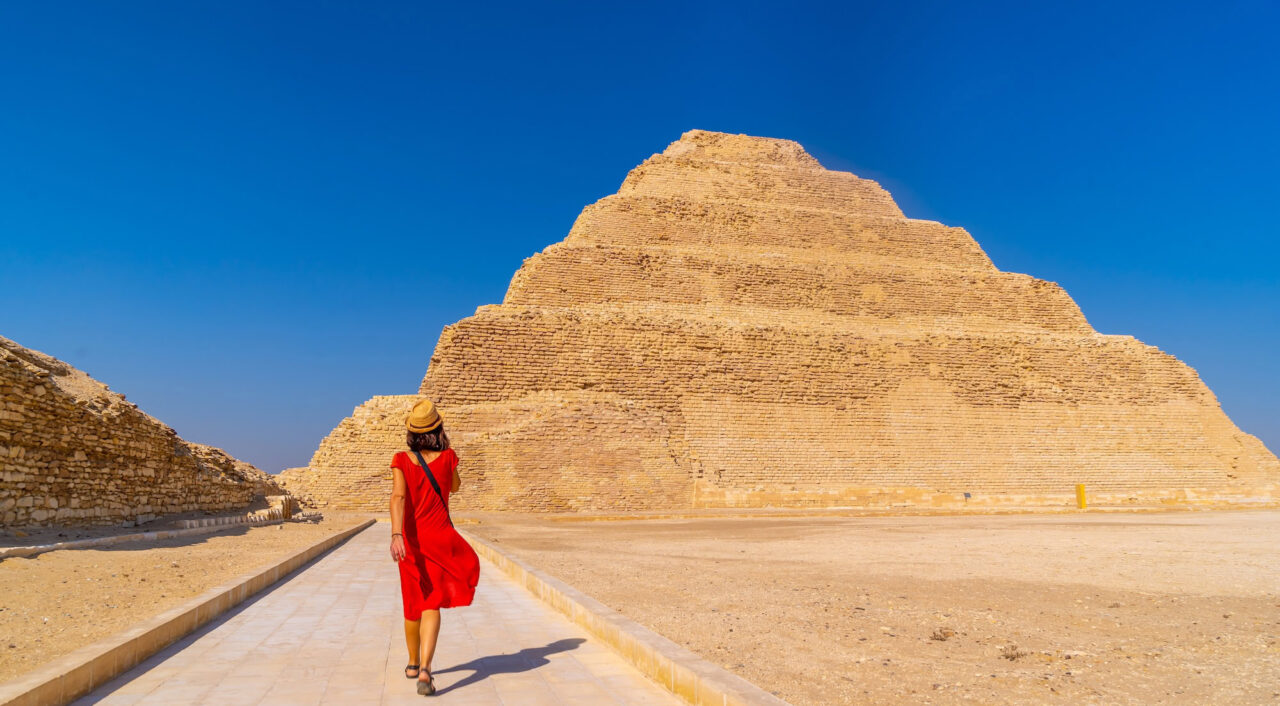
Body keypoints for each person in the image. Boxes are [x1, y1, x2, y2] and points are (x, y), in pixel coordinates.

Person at [389, 399, 480, 696]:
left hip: (412, 540)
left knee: (412, 602)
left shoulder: (401, 460)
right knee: (432, 603)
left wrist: (396, 534)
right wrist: (447, 461)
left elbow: (398, 497)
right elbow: (454, 487)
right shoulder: (449, 456)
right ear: (438, 429)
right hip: (440, 538)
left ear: (413, 433)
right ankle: (426, 669)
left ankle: (413, 663)